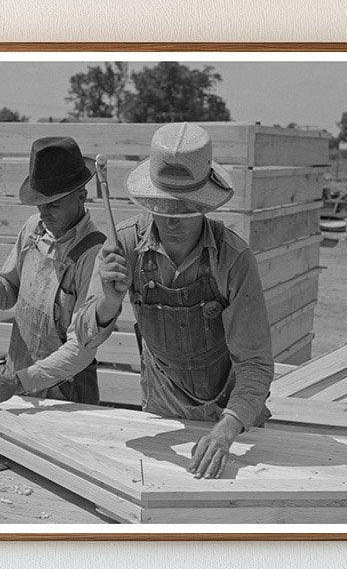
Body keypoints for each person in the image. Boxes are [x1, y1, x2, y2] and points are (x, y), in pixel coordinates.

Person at [75, 122, 274, 479]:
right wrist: (108, 302)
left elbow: (256, 364)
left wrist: (228, 428)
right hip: (161, 408)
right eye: (162, 206)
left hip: (231, 414)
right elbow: (82, 338)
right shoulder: (124, 247)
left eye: (186, 209)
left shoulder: (233, 258)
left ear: (206, 203)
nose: (172, 220)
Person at [0, 136, 106, 405]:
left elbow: (81, 349)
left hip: (66, 393)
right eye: (40, 203)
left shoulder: (94, 253)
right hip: (17, 380)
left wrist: (20, 382)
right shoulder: (33, 230)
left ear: (82, 196)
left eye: (53, 204)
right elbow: (9, 293)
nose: (44, 213)